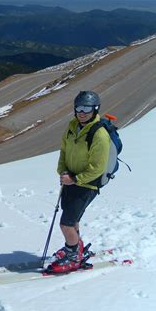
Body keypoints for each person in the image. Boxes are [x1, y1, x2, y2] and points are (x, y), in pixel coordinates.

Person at [49, 90, 110, 273]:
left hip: (86, 184)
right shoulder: (72, 125)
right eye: (78, 108)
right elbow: (64, 151)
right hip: (70, 180)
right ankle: (74, 248)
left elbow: (98, 167)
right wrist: (63, 172)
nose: (81, 112)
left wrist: (75, 179)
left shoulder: (99, 134)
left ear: (95, 109)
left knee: (66, 223)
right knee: (73, 219)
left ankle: (74, 257)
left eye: (86, 108)